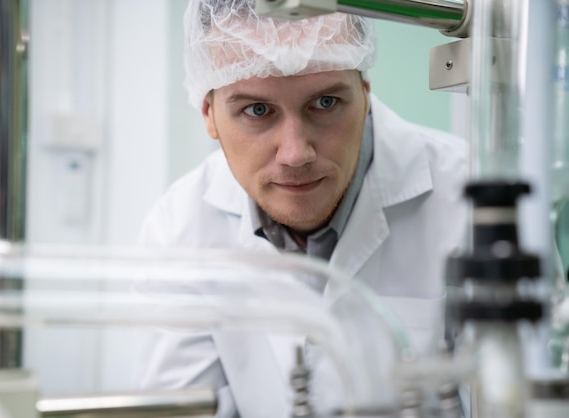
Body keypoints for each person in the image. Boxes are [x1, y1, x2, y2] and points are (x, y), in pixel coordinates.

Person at [136, 0, 467, 416]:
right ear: (209, 113)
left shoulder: (467, 200)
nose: (296, 154)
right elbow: (182, 409)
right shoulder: (179, 228)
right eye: (257, 110)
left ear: (364, 94)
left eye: (325, 103)